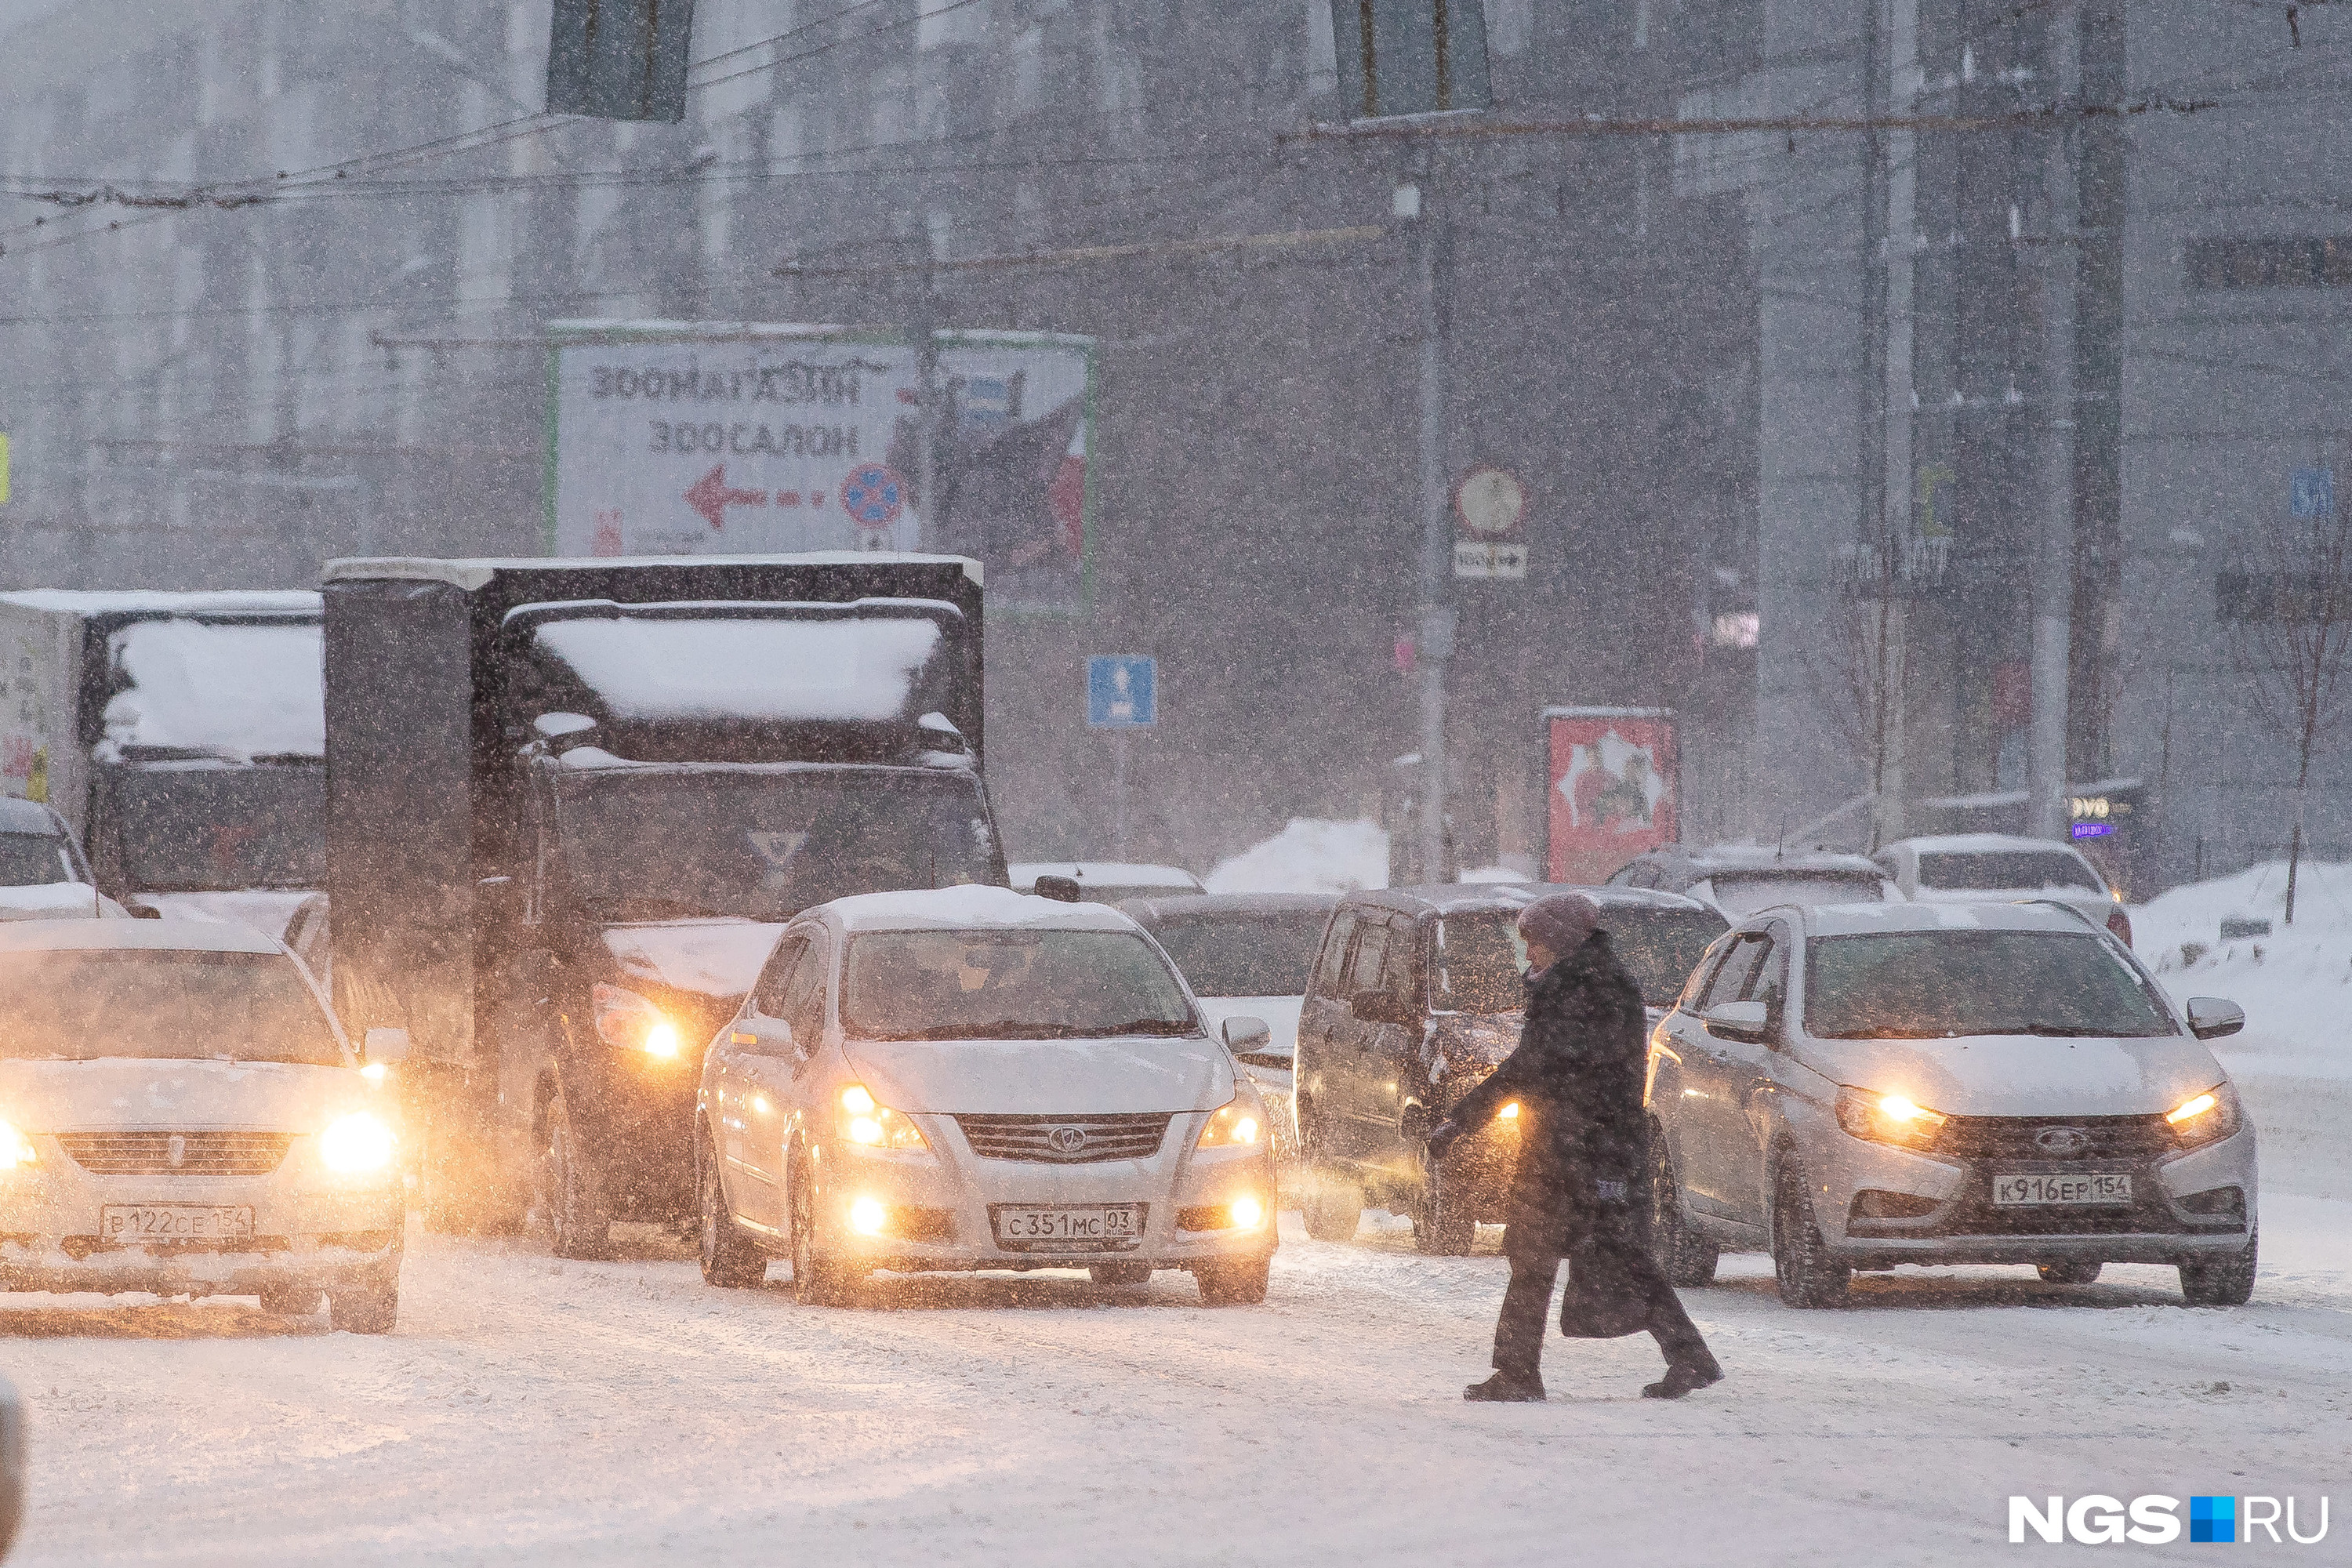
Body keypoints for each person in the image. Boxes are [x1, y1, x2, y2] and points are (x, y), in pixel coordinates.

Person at [1427, 892, 1722, 1403]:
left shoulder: (1584, 991)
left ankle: (1525, 1373)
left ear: (1560, 941)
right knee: (1573, 1259)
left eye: (1535, 943)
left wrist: (1462, 1120)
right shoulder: (1584, 986)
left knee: (1584, 1260)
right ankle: (1682, 1356)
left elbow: (1531, 1068)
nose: (1529, 955)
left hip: (1581, 1155)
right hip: (1580, 1152)